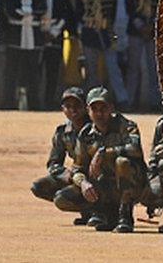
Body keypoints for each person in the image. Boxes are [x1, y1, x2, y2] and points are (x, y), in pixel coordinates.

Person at [54, 87, 145, 233]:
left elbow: (135, 149)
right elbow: (77, 169)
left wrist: (104, 153)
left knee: (122, 162)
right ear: (88, 111)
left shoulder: (125, 126)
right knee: (62, 198)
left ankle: (125, 215)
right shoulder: (85, 135)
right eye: (94, 109)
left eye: (104, 108)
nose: (99, 113)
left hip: (133, 184)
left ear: (111, 108)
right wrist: (83, 183)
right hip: (103, 185)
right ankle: (103, 213)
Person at [31, 87, 90, 224]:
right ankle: (86, 209)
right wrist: (67, 175)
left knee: (61, 199)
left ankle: (100, 210)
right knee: (39, 187)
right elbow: (53, 163)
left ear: (86, 107)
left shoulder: (94, 128)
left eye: (77, 106)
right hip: (76, 177)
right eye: (68, 106)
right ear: (62, 109)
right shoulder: (62, 132)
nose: (73, 110)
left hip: (95, 177)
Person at [75, 0, 130, 108]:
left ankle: (122, 99)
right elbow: (79, 15)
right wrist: (91, 22)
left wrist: (111, 35)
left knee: (114, 69)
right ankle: (91, 100)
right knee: (91, 71)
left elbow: (111, 16)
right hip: (89, 35)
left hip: (107, 36)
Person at [1, 0, 47, 110]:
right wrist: (29, 13)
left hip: (34, 40)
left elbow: (42, 11)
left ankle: (35, 104)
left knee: (34, 74)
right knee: (11, 73)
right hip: (15, 39)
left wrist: (24, 13)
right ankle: (8, 103)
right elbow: (11, 13)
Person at [124, 0, 162, 112]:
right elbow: (129, 7)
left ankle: (154, 102)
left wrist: (151, 26)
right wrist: (140, 25)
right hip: (135, 30)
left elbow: (162, 9)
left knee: (153, 68)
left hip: (152, 31)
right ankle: (129, 101)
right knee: (133, 68)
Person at [39, 0, 74, 110]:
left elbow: (66, 18)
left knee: (53, 72)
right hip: (38, 39)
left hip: (55, 40)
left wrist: (53, 33)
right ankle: (36, 100)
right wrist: (42, 32)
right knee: (37, 71)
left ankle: (49, 101)